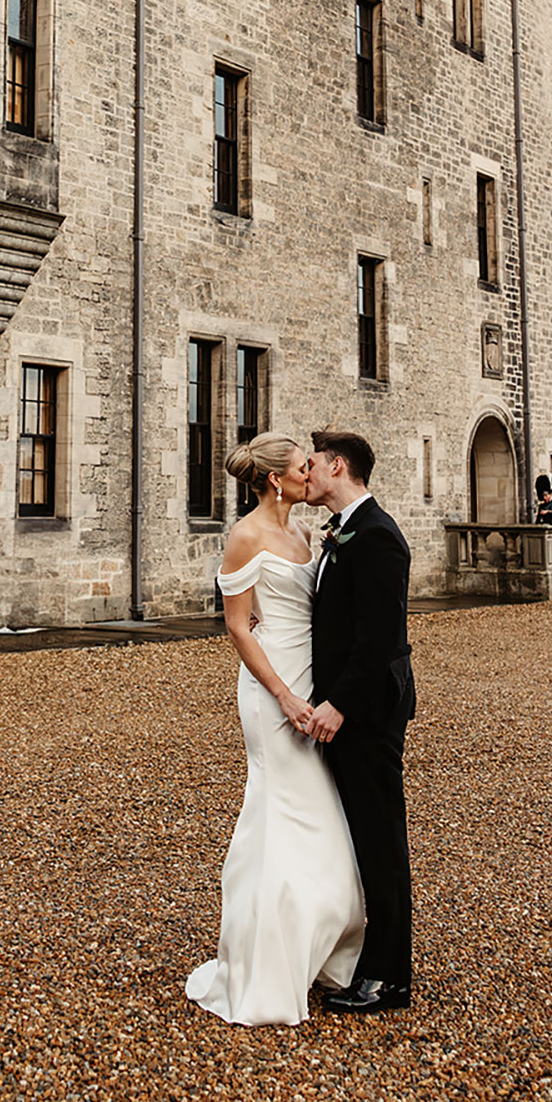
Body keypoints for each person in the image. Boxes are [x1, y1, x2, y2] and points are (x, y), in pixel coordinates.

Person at [185, 433, 364, 1026]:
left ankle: (318, 943)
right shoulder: (245, 536)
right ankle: (261, 966)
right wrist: (284, 695)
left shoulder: (307, 534)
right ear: (272, 481)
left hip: (311, 676)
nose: (307, 472)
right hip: (271, 690)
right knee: (276, 810)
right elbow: (238, 628)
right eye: (298, 467)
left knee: (320, 810)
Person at [304, 428, 415, 1015]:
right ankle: (365, 959)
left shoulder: (378, 537)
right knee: (359, 838)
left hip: (369, 713)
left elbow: (380, 642)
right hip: (347, 710)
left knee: (381, 842)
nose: (306, 470)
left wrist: (339, 704)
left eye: (313, 462)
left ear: (338, 466)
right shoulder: (342, 534)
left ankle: (390, 976)